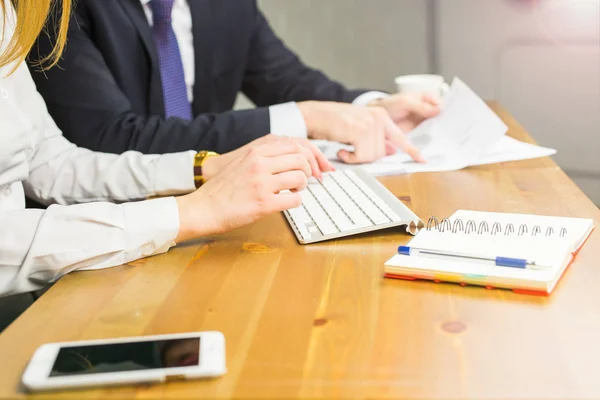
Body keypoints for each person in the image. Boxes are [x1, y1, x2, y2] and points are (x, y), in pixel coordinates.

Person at [0, 0, 331, 305]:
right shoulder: (56, 9)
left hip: (34, 285)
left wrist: (203, 167)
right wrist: (188, 213)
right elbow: (106, 135)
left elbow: (50, 163)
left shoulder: (7, 14)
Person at [30, 0, 441, 165]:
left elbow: (282, 78)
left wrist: (369, 106)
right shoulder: (55, 8)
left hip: (216, 210)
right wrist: (306, 118)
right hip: (101, 233)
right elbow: (105, 137)